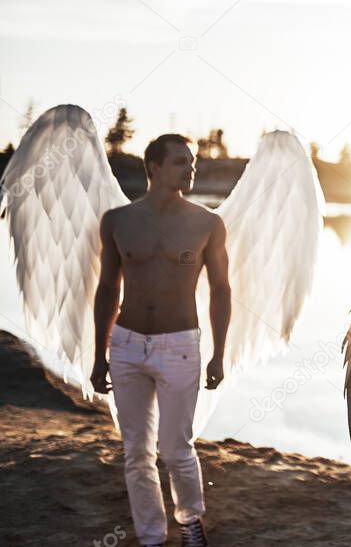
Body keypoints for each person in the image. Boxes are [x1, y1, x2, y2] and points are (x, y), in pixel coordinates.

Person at [89, 133, 231, 547]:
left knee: (175, 448)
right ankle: (151, 536)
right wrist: (100, 355)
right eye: (179, 162)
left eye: (192, 162)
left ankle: (189, 521)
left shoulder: (207, 223)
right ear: (152, 167)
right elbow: (106, 290)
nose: (190, 168)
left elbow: (222, 290)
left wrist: (219, 354)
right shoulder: (117, 221)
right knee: (136, 452)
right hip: (128, 345)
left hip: (180, 346)